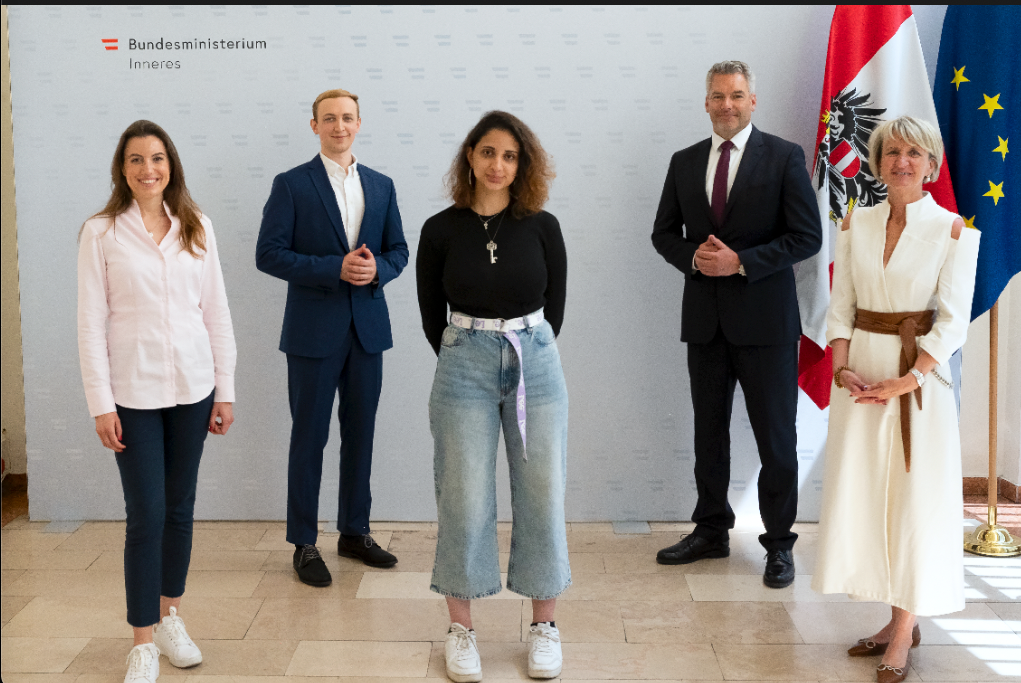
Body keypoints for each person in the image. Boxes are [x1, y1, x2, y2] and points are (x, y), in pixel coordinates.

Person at [813, 116, 979, 683]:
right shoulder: (857, 222)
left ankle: (905, 629)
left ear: (930, 164)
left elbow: (953, 323)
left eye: (913, 152)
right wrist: (841, 368)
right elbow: (841, 303)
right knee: (871, 498)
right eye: (890, 152)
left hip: (919, 387)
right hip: (861, 378)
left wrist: (909, 381)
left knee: (912, 501)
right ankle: (892, 617)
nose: (901, 161)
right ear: (878, 163)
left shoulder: (954, 230)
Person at [650, 60, 822, 587]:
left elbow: (806, 237)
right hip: (705, 324)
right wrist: (694, 259)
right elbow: (663, 234)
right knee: (709, 435)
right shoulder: (684, 162)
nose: (727, 104)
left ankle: (778, 544)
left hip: (767, 326)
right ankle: (710, 530)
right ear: (706, 102)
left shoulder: (786, 157)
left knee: (776, 438)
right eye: (718, 95)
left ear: (753, 101)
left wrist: (740, 261)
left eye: (737, 95)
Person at [77, 120, 237, 683]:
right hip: (133, 394)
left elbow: (215, 313)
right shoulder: (100, 233)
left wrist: (226, 389)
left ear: (172, 166)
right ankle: (142, 640)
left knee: (179, 508)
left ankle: (171, 614)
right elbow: (90, 323)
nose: (149, 170)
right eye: (137, 160)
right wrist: (101, 402)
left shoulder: (196, 226)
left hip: (193, 390)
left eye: (159, 158)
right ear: (122, 170)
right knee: (145, 514)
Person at [416, 111, 568, 682]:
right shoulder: (440, 229)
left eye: (509, 156)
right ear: (470, 158)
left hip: (537, 361)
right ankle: (462, 629)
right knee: (464, 495)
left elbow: (556, 308)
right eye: (487, 153)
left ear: (521, 163)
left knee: (542, 492)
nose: (497, 165)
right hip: (463, 365)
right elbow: (432, 314)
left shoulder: (543, 226)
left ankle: (544, 626)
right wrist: (468, 353)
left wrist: (523, 348)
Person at [256, 88, 408, 585]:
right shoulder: (292, 184)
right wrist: (333, 269)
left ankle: (354, 532)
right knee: (310, 438)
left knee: (360, 436)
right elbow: (269, 253)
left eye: (346, 118)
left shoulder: (381, 185)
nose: (338, 126)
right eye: (329, 119)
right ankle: (304, 542)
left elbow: (399, 250)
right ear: (314, 125)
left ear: (359, 123)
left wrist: (377, 270)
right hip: (311, 335)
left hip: (367, 331)